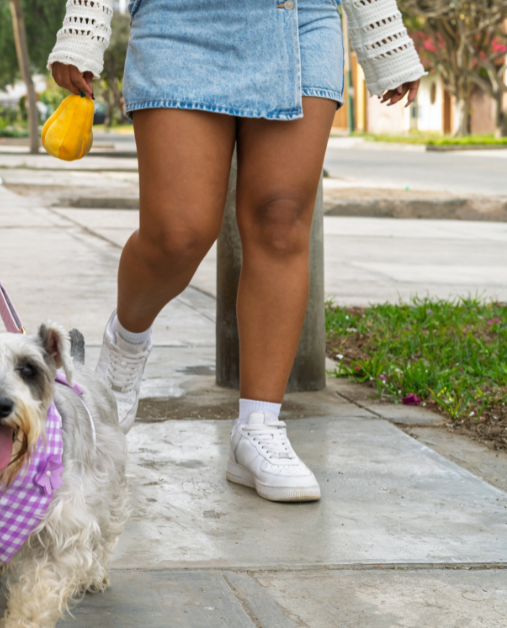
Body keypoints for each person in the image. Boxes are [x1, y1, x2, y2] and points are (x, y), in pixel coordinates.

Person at [47, 0, 424, 502]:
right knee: (176, 236)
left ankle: (259, 426)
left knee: (282, 221)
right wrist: (86, 21)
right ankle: (126, 342)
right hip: (178, 20)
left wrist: (382, 30)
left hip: (297, 17)